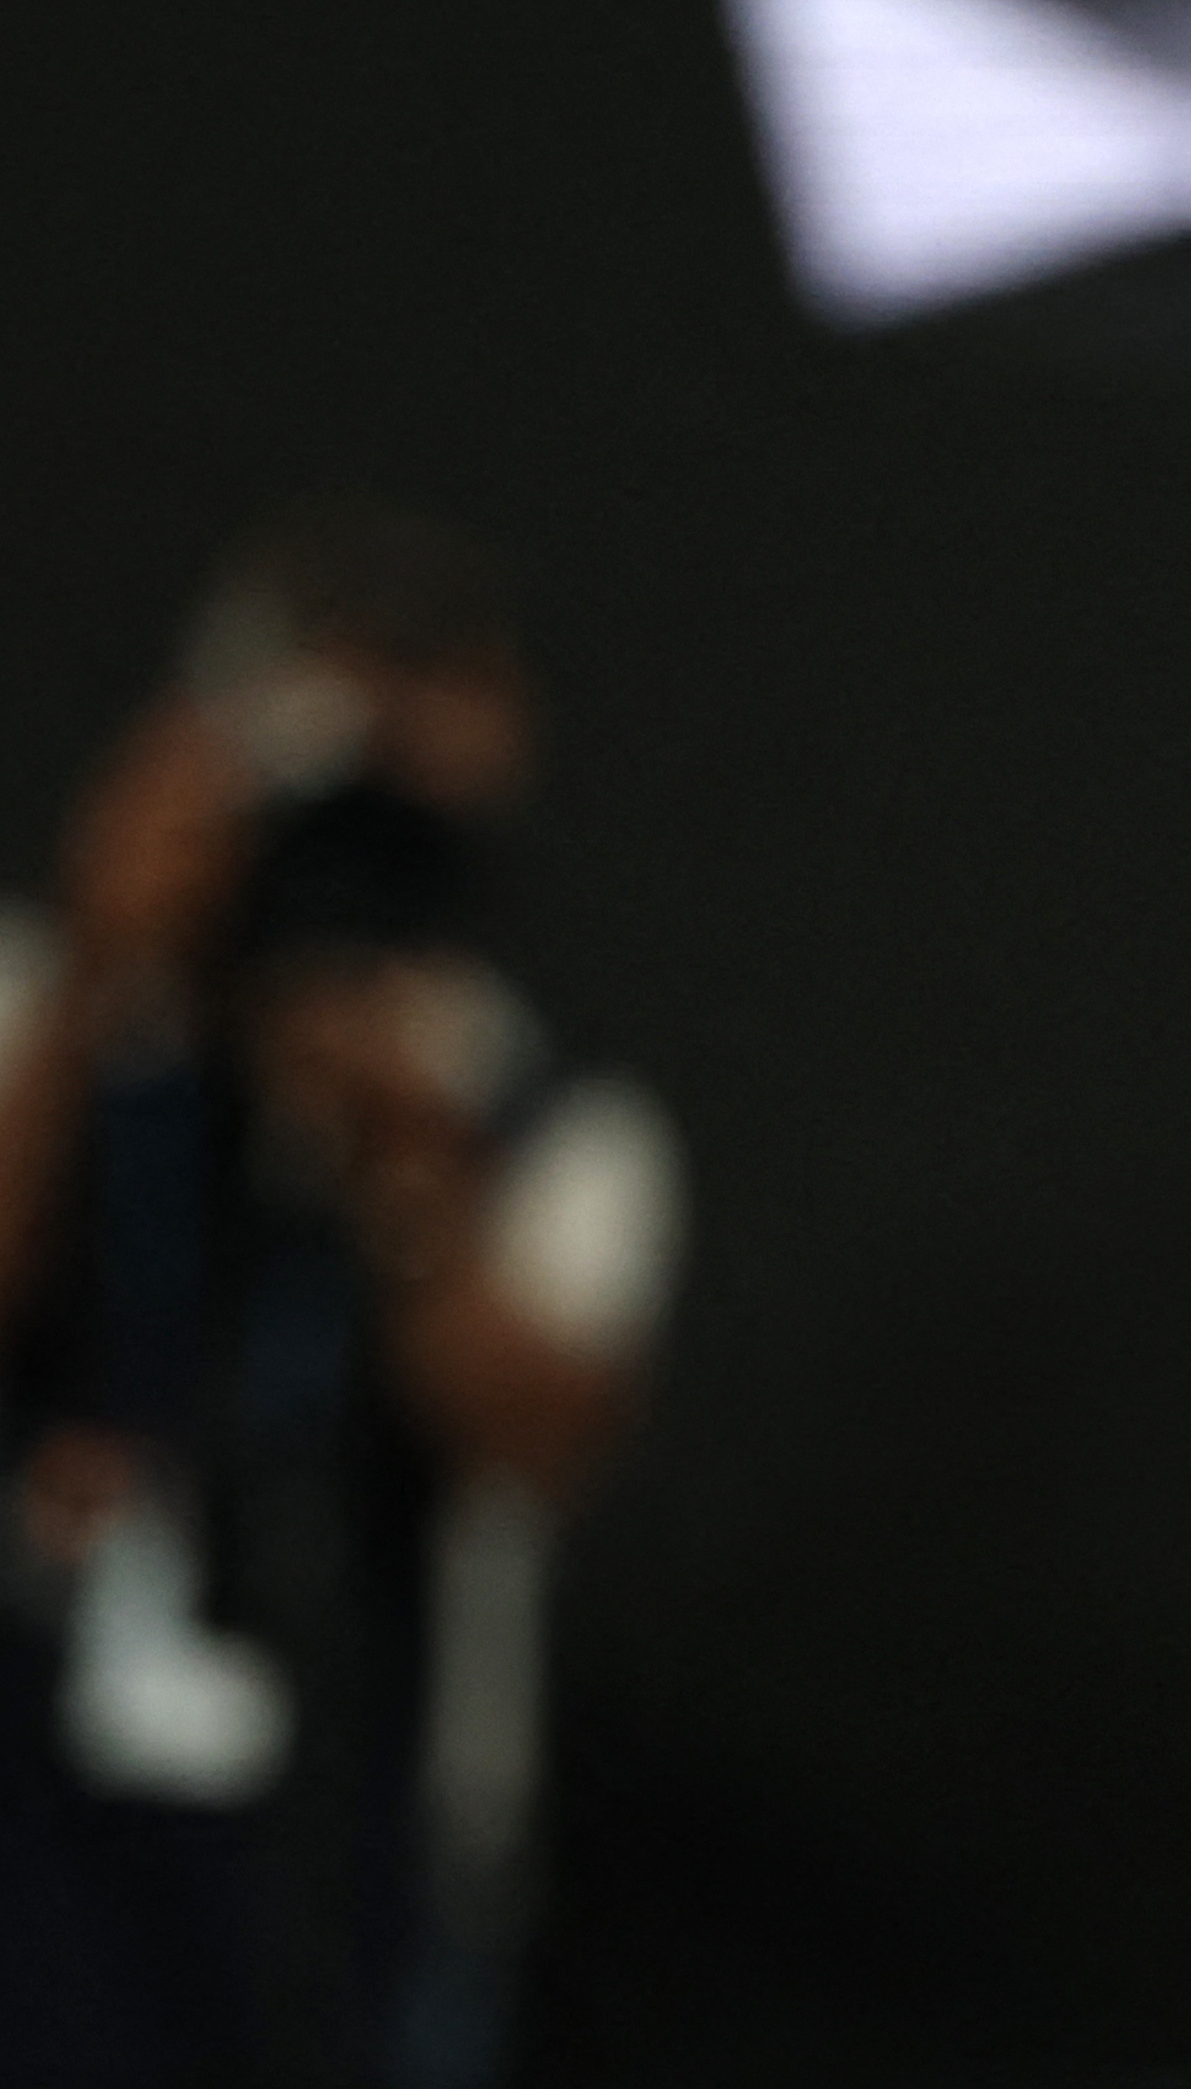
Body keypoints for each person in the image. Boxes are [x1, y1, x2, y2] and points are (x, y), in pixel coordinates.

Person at [0, 505, 681, 2086]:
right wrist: (111, 975)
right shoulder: (41, 1013)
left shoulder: (538, 1114)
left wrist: (402, 1174)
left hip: (332, 1878)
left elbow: (545, 1430)